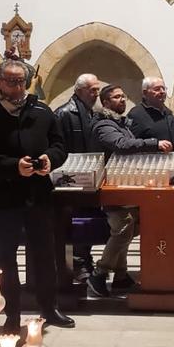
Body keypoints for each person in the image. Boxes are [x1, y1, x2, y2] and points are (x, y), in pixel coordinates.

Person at [0, 59, 74, 330]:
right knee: (6, 257)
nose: (17, 87)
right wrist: (13, 166)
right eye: (10, 81)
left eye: (20, 81)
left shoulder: (42, 111)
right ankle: (12, 314)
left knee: (44, 253)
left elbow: (60, 145)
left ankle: (49, 309)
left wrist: (50, 160)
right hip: (3, 198)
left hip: (38, 194)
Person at [88, 84, 173, 297]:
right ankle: (98, 274)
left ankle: (121, 276)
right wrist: (153, 143)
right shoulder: (104, 124)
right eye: (117, 97)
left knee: (129, 228)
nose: (122, 100)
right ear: (105, 102)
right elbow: (121, 144)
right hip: (112, 188)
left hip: (126, 184)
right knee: (123, 228)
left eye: (124, 96)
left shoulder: (120, 122)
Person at [54, 73, 101, 277]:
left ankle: (84, 260)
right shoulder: (64, 113)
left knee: (87, 220)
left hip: (88, 174)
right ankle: (75, 265)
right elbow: (58, 147)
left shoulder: (92, 112)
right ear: (79, 90)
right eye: (92, 90)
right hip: (71, 177)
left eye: (97, 90)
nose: (96, 94)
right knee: (75, 221)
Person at [128, 76, 174, 150]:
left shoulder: (167, 112)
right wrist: (155, 144)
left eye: (164, 88)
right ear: (145, 93)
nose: (162, 92)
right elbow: (131, 142)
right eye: (157, 89)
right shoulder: (136, 114)